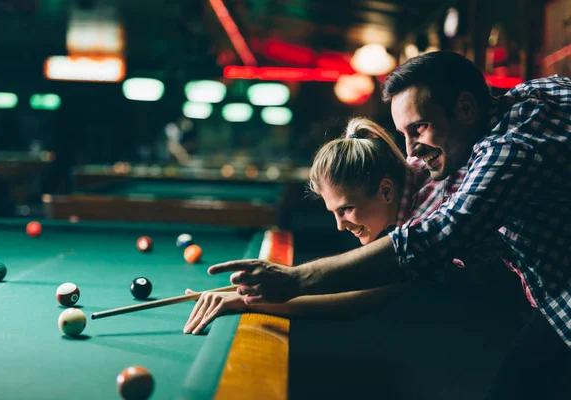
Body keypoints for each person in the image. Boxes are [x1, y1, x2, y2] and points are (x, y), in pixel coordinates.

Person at [207, 51, 571, 398]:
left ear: (466, 108)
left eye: (421, 127)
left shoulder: (506, 151)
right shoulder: (530, 96)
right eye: (404, 134)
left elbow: (437, 237)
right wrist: (250, 297)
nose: (411, 150)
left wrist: (289, 280)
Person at [184, 117, 468, 335]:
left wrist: (243, 301)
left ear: (385, 191)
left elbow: (355, 301)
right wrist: (240, 294)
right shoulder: (410, 178)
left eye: (346, 209)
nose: (340, 226)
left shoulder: (428, 214)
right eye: (334, 212)